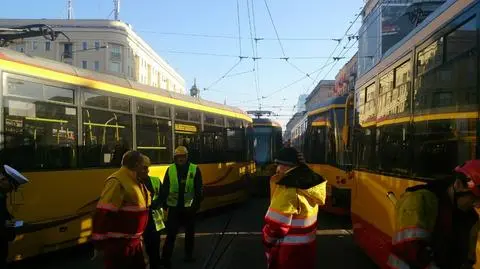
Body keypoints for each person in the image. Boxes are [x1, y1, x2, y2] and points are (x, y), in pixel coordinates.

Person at [388, 160, 480, 269]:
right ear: (459, 185)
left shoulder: (469, 218)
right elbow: (412, 253)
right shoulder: (419, 201)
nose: (477, 206)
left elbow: (466, 261)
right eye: (474, 199)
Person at [263, 147, 326, 269]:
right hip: (308, 248)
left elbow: (276, 226)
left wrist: (266, 238)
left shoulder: (288, 188)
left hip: (288, 252)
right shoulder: (313, 183)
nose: (277, 169)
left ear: (286, 166)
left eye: (279, 164)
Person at [92, 150, 151, 269]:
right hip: (120, 246)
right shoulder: (117, 181)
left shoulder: (136, 181)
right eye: (143, 166)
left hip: (133, 244)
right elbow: (103, 213)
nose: (147, 170)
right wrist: (99, 244)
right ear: (136, 165)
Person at [160, 146, 203, 269]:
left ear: (186, 157)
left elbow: (198, 188)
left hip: (189, 208)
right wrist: (165, 204)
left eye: (183, 156)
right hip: (174, 207)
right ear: (175, 157)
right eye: (178, 157)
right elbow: (165, 187)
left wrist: (196, 205)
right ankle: (165, 258)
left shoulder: (195, 169)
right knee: (171, 234)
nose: (180, 159)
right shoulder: (170, 169)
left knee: (189, 234)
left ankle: (188, 256)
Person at [0, 165, 29, 268]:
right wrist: (13, 224)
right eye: (12, 186)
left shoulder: (2, 196)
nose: (11, 190)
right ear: (3, 180)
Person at [140, 155, 166, 269]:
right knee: (142, 249)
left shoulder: (155, 180)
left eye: (147, 168)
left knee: (154, 247)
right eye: (144, 168)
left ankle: (155, 264)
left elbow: (163, 197)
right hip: (142, 222)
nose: (147, 170)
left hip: (155, 220)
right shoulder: (133, 183)